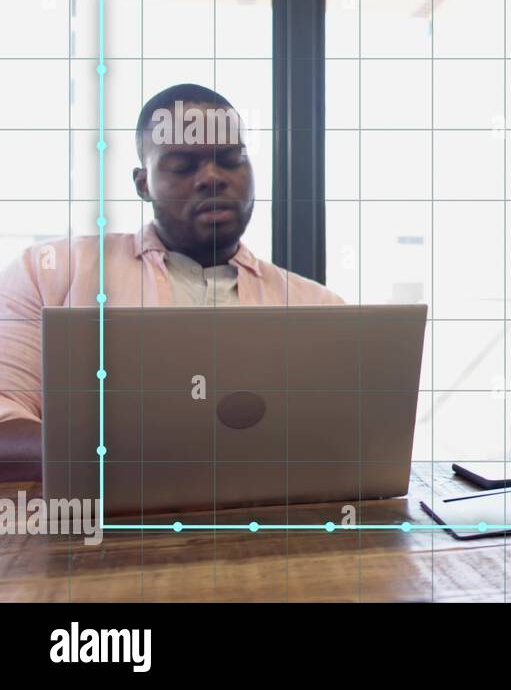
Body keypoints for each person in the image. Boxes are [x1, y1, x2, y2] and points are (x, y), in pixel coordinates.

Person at [0, 83, 344, 482]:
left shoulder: (319, 307)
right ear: (142, 184)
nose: (212, 178)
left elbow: (352, 440)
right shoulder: (52, 273)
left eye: (232, 160)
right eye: (183, 166)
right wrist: (140, 458)